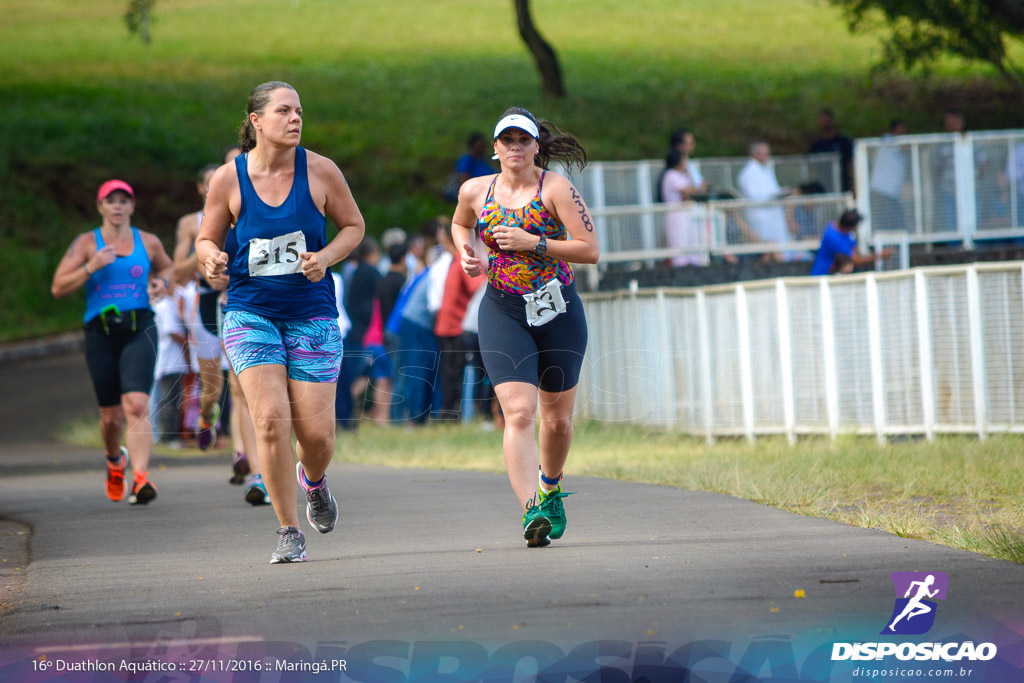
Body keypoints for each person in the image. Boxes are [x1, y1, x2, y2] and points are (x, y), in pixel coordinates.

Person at [196, 81, 365, 563]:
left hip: (311, 312)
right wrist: (210, 259)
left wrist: (326, 257)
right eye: (284, 111)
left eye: (300, 112)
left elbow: (354, 227)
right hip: (251, 311)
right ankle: (288, 530)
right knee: (270, 420)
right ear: (256, 121)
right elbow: (207, 239)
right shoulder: (229, 180)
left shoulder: (321, 171)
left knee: (317, 436)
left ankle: (313, 482)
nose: (295, 119)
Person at [450, 107, 599, 548]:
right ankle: (531, 510)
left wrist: (536, 243)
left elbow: (590, 250)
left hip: (558, 310)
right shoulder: (476, 190)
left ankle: (550, 487)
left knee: (556, 419)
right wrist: (465, 252)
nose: (515, 147)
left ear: (537, 146)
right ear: (495, 149)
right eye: (506, 140)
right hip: (504, 310)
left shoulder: (554, 188)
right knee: (517, 412)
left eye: (523, 140)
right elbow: (460, 223)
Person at [51, 179, 174, 505]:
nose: (118, 206)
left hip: (139, 328)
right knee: (110, 417)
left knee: (136, 404)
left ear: (132, 207)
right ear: (100, 206)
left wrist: (162, 281)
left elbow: (168, 266)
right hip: (101, 333)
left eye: (124, 200)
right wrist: (91, 267)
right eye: (111, 201)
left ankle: (141, 478)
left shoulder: (146, 241)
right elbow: (58, 287)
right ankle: (114, 459)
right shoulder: (86, 243)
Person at [172, 164, 226, 452]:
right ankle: (206, 418)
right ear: (200, 188)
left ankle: (247, 453)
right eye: (210, 183)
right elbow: (176, 272)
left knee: (245, 386)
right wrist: (200, 252)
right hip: (204, 305)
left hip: (236, 303)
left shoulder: (241, 213)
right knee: (212, 390)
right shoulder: (190, 224)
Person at [737, 141, 799, 261]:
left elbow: (773, 189)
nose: (767, 156)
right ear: (754, 154)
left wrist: (783, 192)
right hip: (760, 216)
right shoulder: (748, 173)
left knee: (779, 247)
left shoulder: (766, 169)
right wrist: (776, 194)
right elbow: (755, 196)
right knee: (766, 249)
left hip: (773, 215)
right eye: (764, 153)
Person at [150, 278, 190, 448]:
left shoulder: (162, 305)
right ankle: (170, 437)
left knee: (168, 399)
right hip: (170, 361)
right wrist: (188, 343)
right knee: (171, 400)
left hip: (168, 360)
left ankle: (167, 435)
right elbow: (172, 331)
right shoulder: (165, 305)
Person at [809, 209, 891, 276]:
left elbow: (855, 249)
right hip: (823, 276)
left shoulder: (841, 229)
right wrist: (879, 256)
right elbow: (855, 259)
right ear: (850, 226)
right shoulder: (833, 238)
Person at [659, 148, 705, 266]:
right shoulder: (671, 175)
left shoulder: (682, 176)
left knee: (692, 242)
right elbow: (688, 191)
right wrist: (699, 187)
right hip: (677, 215)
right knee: (679, 244)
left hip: (687, 215)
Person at [868, 119, 910, 232]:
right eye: (900, 130)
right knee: (883, 221)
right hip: (881, 190)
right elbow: (906, 147)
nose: (903, 133)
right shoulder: (888, 140)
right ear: (893, 130)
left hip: (891, 192)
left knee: (894, 220)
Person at [445, 133, 496, 202]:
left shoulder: (485, 160)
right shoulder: (467, 160)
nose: (482, 149)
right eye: (479, 146)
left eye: (483, 146)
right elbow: (463, 179)